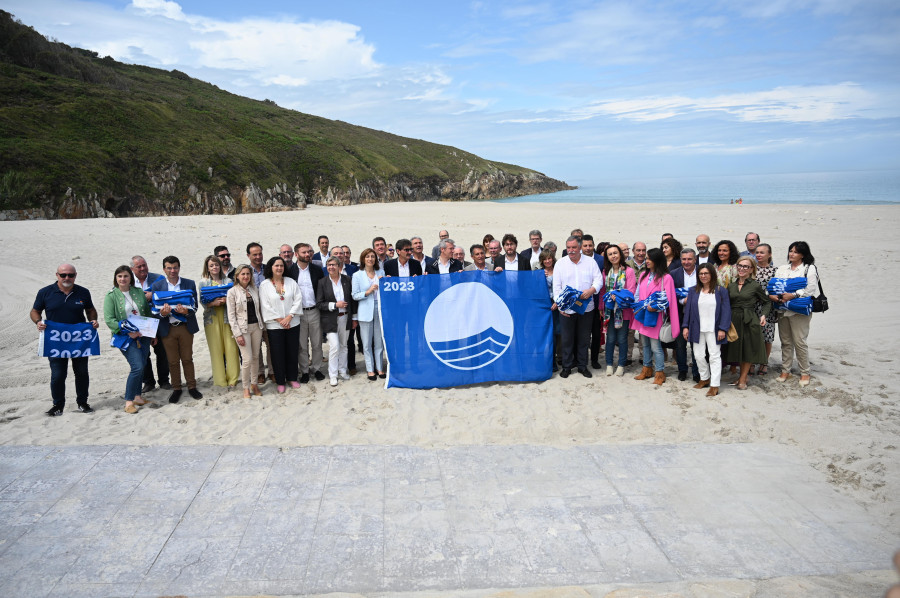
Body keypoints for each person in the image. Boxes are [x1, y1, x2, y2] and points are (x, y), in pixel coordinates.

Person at [31, 263, 100, 416]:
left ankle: (82, 402)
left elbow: (90, 309)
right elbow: (35, 311)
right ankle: (58, 405)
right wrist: (38, 322)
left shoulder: (83, 292)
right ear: (57, 275)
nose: (67, 278)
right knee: (58, 374)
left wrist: (93, 320)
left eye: (70, 275)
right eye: (63, 275)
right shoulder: (45, 292)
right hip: (56, 340)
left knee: (82, 372)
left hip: (79, 339)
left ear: (75, 275)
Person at [151, 256, 203, 403]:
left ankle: (192, 387)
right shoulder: (157, 286)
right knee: (172, 361)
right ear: (164, 269)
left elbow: (195, 307)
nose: (172, 270)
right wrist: (162, 313)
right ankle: (177, 388)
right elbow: (154, 309)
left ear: (179, 268)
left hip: (185, 327)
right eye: (169, 268)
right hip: (168, 328)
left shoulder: (189, 283)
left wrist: (186, 312)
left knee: (187, 358)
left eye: (175, 267)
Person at [104, 265, 155, 413]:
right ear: (116, 278)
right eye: (119, 276)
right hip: (125, 337)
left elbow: (147, 313)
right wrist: (128, 331)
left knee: (143, 364)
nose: (122, 279)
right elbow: (109, 320)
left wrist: (152, 333)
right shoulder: (111, 296)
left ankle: (138, 397)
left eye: (125, 276)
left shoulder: (138, 292)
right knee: (137, 366)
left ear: (130, 278)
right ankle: (128, 401)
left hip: (144, 335)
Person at [552, 236, 603, 378]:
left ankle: (582, 366)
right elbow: (556, 288)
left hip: (586, 308)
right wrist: (561, 306)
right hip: (567, 310)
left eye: (574, 247)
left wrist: (591, 290)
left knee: (584, 338)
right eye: (568, 248)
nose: (571, 250)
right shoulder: (560, 264)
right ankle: (567, 367)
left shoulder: (590, 262)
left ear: (580, 247)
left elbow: (598, 280)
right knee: (567, 339)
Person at [771, 241, 819, 388]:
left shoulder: (809, 269)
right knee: (785, 341)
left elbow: (809, 290)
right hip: (782, 308)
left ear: (803, 254)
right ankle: (786, 370)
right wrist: (775, 295)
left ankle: (805, 372)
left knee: (799, 341)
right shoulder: (782, 268)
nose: (792, 254)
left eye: (796, 252)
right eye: (791, 251)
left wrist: (792, 294)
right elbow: (775, 285)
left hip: (798, 310)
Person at [631, 248, 680, 385]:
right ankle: (646, 369)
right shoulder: (643, 276)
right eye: (646, 258)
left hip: (656, 317)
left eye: (649, 259)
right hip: (643, 315)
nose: (646, 261)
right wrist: (636, 307)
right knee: (644, 344)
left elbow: (669, 300)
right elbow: (637, 294)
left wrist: (657, 307)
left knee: (656, 346)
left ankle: (660, 372)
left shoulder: (666, 278)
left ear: (657, 260)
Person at [681, 263, 731, 397]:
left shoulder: (721, 291)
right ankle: (704, 378)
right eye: (701, 274)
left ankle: (714, 385)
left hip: (714, 329)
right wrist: (685, 327)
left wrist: (723, 329)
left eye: (706, 273)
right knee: (698, 355)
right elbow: (689, 311)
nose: (703, 276)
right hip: (697, 328)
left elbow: (726, 311)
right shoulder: (693, 291)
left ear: (712, 275)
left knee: (714, 356)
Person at [724, 256, 771, 390]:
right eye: (740, 265)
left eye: (746, 266)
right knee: (738, 349)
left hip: (749, 319)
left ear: (751, 270)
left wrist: (764, 315)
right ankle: (741, 376)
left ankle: (743, 378)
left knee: (748, 350)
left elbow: (767, 302)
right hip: (733, 319)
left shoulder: (755, 285)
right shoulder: (731, 285)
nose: (742, 268)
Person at [259, 256, 303, 393]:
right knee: (277, 354)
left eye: (281, 266)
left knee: (292, 351)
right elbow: (265, 305)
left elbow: (298, 299)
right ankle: (280, 380)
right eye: (276, 266)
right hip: (274, 325)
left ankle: (292, 378)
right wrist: (280, 320)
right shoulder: (264, 285)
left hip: (292, 323)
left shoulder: (291, 282)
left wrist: (289, 317)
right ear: (271, 268)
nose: (279, 268)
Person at [199, 255, 240, 389]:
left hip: (227, 318)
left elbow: (235, 299)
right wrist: (213, 303)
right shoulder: (203, 283)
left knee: (231, 348)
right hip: (211, 319)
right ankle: (220, 380)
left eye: (216, 265)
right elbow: (202, 302)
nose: (214, 267)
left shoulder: (228, 280)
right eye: (211, 265)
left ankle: (233, 379)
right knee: (216, 350)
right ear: (208, 268)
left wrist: (225, 301)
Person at [131, 255, 169, 393]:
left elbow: (166, 293)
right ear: (132, 269)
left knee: (162, 352)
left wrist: (152, 295)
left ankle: (164, 380)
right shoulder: (127, 281)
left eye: (144, 265)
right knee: (143, 353)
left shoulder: (158, 278)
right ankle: (148, 382)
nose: (142, 268)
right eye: (139, 266)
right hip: (139, 322)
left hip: (158, 320)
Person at [226, 264, 264, 398]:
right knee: (247, 359)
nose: (246, 276)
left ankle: (254, 384)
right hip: (243, 329)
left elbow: (260, 309)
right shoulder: (232, 292)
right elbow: (231, 316)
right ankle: (245, 387)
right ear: (237, 276)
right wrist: (237, 334)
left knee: (255, 357)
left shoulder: (254, 289)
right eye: (243, 274)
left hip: (256, 327)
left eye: (248, 274)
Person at [317, 256, 357, 386]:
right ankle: (333, 374)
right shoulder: (322, 282)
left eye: (333, 265)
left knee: (344, 346)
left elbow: (352, 300)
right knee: (334, 346)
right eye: (329, 265)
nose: (331, 267)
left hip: (346, 318)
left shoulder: (347, 280)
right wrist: (335, 305)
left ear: (339, 266)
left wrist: (354, 318)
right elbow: (319, 304)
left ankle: (342, 370)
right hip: (330, 319)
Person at [293, 243, 326, 382]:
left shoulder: (317, 269)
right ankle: (305, 370)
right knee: (301, 345)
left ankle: (317, 368)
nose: (307, 254)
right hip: (298, 313)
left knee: (317, 343)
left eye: (309, 252)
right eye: (304, 252)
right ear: (296, 254)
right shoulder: (290, 271)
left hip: (314, 311)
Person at [602, 244, 636, 377]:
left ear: (620, 254)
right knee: (610, 339)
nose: (613, 256)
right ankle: (609, 364)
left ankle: (621, 365)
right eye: (610, 254)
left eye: (615, 253)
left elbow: (632, 291)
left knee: (622, 339)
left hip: (624, 310)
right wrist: (602, 306)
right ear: (607, 257)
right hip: (609, 310)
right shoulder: (605, 271)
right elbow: (603, 292)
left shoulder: (629, 271)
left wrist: (618, 296)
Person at [352, 248, 386, 381]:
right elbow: (354, 295)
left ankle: (379, 368)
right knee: (366, 343)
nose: (370, 259)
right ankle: (370, 369)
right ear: (363, 259)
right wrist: (368, 292)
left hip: (379, 309)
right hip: (365, 310)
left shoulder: (381, 272)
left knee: (379, 342)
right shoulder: (357, 275)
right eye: (367, 257)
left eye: (372, 256)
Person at [668, 248, 700, 382]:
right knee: (680, 344)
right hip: (680, 313)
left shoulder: (702, 272)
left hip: (698, 314)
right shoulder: (673, 274)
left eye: (689, 259)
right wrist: (682, 300)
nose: (686, 262)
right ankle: (682, 370)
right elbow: (670, 293)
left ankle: (696, 372)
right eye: (684, 259)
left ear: (695, 259)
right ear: (680, 260)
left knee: (696, 345)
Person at [247, 241, 272, 384]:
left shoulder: (268, 269)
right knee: (256, 345)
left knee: (271, 343)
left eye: (260, 254)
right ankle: (260, 372)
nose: (258, 257)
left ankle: (273, 371)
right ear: (248, 255)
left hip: (268, 312)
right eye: (255, 254)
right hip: (252, 314)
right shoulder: (245, 272)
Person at [753, 243, 778, 375]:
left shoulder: (775, 271)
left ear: (769, 255)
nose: (759, 255)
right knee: (752, 335)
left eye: (762, 252)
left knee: (767, 337)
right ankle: (751, 362)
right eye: (757, 252)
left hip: (768, 307)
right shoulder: (751, 269)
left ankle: (764, 363)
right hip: (752, 307)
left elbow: (778, 289)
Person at [581, 234, 605, 368]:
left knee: (596, 334)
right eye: (585, 246)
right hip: (581, 303)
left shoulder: (601, 260)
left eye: (590, 245)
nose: (588, 248)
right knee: (582, 335)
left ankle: (594, 360)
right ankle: (581, 360)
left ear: (594, 246)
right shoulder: (576, 259)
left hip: (597, 303)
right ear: (581, 247)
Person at [540, 249, 561, 371]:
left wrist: (558, 302)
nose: (547, 261)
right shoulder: (540, 272)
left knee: (560, 333)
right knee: (550, 335)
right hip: (546, 305)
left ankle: (560, 358)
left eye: (549, 258)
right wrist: (540, 277)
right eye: (545, 259)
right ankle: (551, 362)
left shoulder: (559, 270)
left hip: (558, 304)